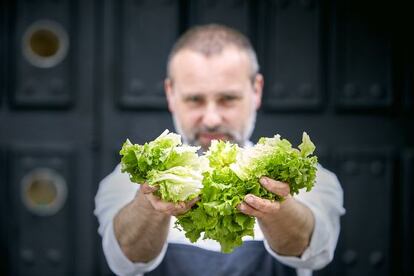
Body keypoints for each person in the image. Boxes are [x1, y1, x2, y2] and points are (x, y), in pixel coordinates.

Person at [94, 24, 345, 276]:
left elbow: (314, 250)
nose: (212, 119)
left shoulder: (311, 181)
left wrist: (277, 205)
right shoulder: (127, 182)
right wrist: (149, 204)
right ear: (170, 94)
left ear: (256, 91)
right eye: (195, 99)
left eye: (228, 99)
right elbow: (124, 258)